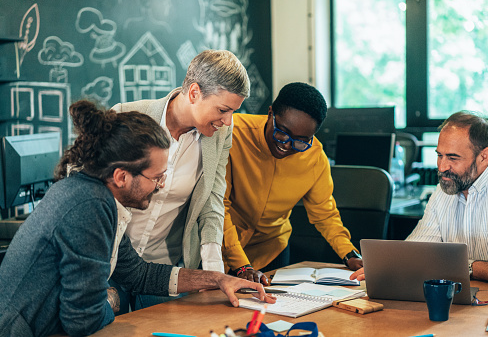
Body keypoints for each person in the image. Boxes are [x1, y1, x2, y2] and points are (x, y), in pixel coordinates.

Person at [0, 101, 274, 337]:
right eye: (156, 178)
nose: (161, 186)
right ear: (121, 176)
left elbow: (138, 273)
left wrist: (215, 279)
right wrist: (114, 298)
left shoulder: (99, 198)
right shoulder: (89, 208)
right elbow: (82, 319)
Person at [110, 49, 249, 312]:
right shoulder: (124, 117)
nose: (228, 121)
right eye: (222, 109)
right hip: (110, 264)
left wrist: (213, 274)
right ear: (194, 92)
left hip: (165, 272)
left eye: (233, 111)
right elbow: (89, 195)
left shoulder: (220, 134)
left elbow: (212, 201)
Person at [222, 82, 362, 284]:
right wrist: (242, 265)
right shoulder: (232, 133)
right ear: (270, 113)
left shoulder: (315, 157)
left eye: (300, 141)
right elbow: (219, 206)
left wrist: (349, 254)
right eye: (282, 132)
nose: (286, 145)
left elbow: (324, 213)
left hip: (271, 252)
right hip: (221, 246)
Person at [350, 110, 488, 285]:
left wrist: (470, 268)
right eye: (439, 155)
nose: (442, 167)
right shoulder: (443, 191)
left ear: (484, 157)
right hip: (460, 300)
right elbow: (420, 248)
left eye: (453, 158)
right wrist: (389, 266)